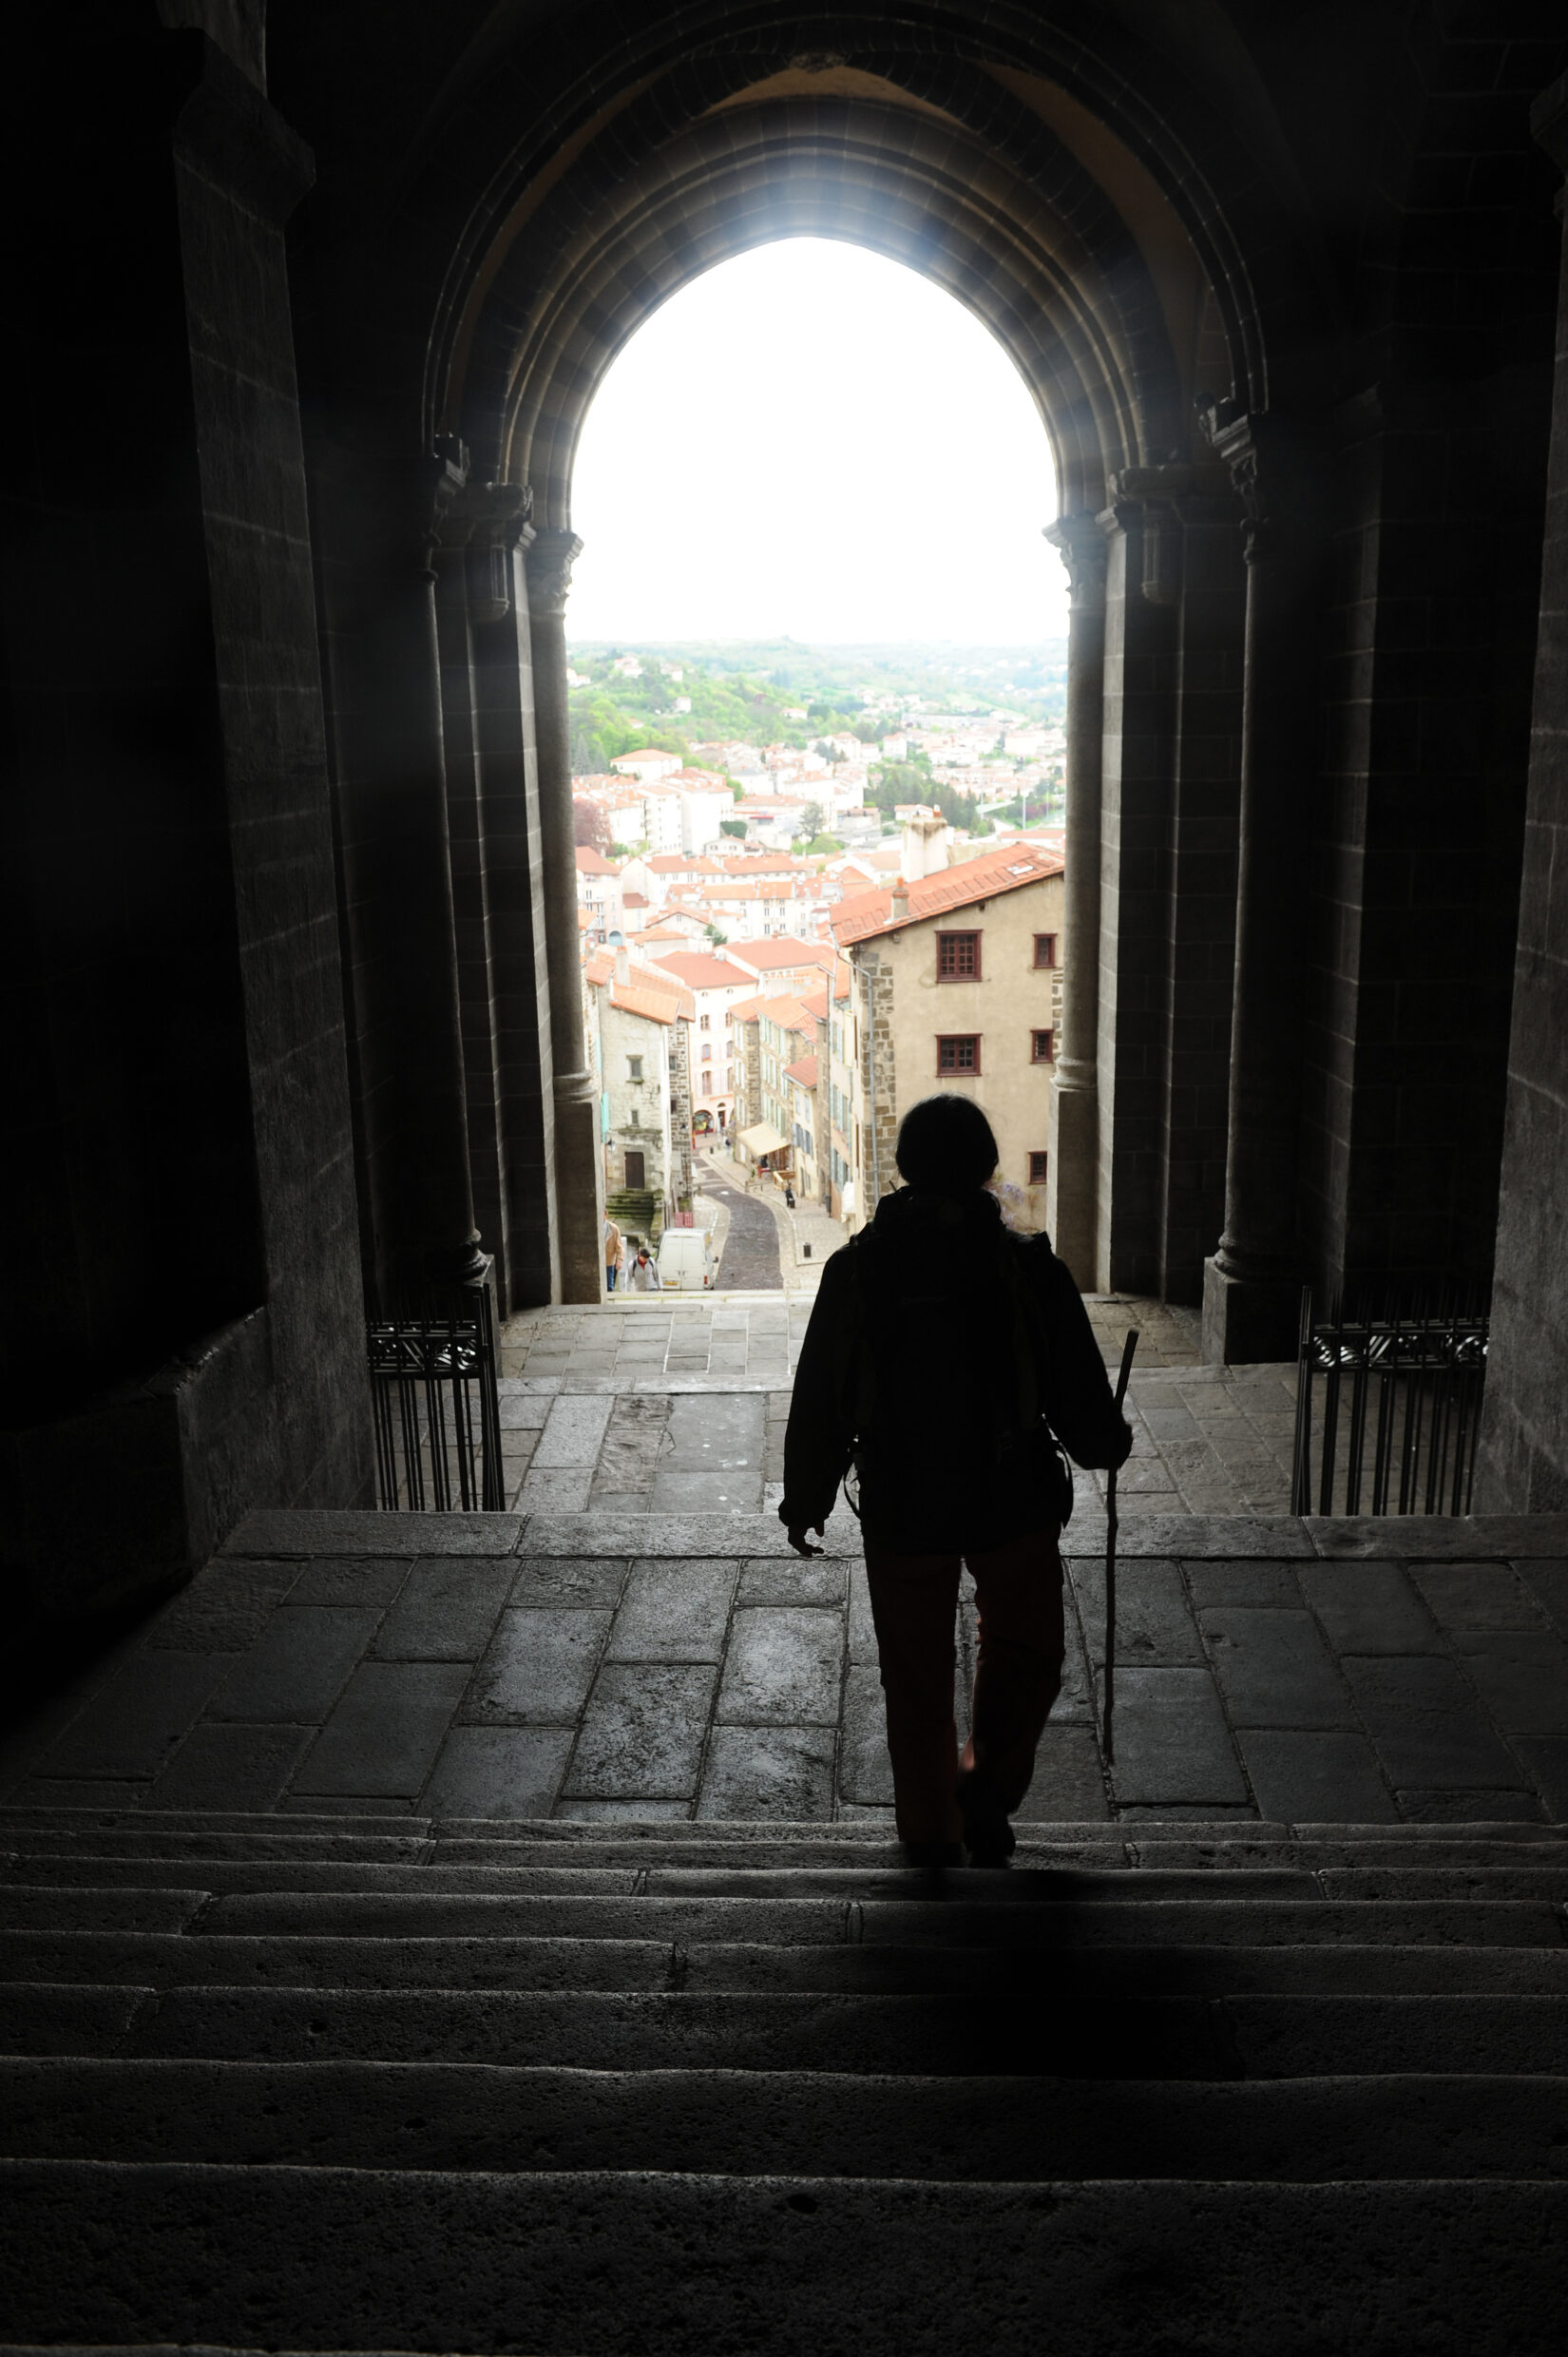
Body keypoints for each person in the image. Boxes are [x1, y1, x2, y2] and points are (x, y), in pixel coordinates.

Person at [780, 1093, 1131, 1868]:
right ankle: (986, 1795)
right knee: (1027, 1655)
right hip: (1014, 1501)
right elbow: (1081, 1406)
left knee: (914, 1676)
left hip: (905, 1503)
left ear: (905, 1169)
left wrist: (806, 1496)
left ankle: (932, 1833)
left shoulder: (856, 1270)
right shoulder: (1032, 1271)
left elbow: (822, 1395)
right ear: (985, 1169)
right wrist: (1106, 1442)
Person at [603, 1216, 623, 1293]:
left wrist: (620, 1259)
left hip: (609, 1261)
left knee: (609, 1286)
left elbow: (620, 1246)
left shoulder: (613, 1228)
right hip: (597, 1262)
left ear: (605, 1215)